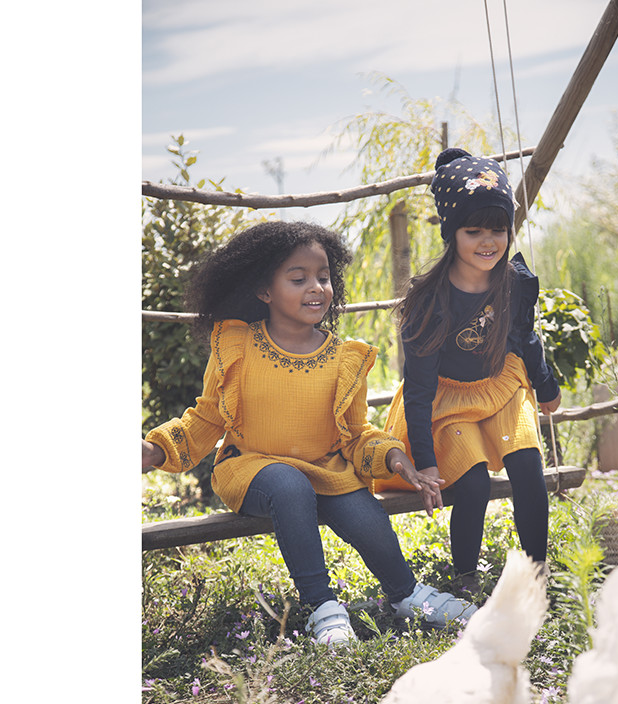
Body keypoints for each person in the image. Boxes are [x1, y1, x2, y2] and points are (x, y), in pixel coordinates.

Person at [142, 220, 477, 645]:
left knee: (366, 516)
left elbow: (356, 436)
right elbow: (208, 417)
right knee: (289, 485)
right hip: (251, 467)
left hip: (326, 469)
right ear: (265, 291)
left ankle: (408, 595)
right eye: (298, 279)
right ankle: (322, 606)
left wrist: (395, 458)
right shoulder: (237, 346)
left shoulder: (344, 358)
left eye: (323, 277)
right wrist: (154, 449)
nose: (316, 287)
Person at [377, 149, 562, 578]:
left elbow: (524, 337)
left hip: (500, 387)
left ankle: (538, 573)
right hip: (448, 398)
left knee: (527, 466)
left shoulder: (513, 281)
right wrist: (425, 461)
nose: (488, 242)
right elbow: (419, 389)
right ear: (451, 232)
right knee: (474, 481)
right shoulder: (429, 301)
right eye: (473, 230)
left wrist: (546, 386)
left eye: (498, 229)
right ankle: (465, 578)